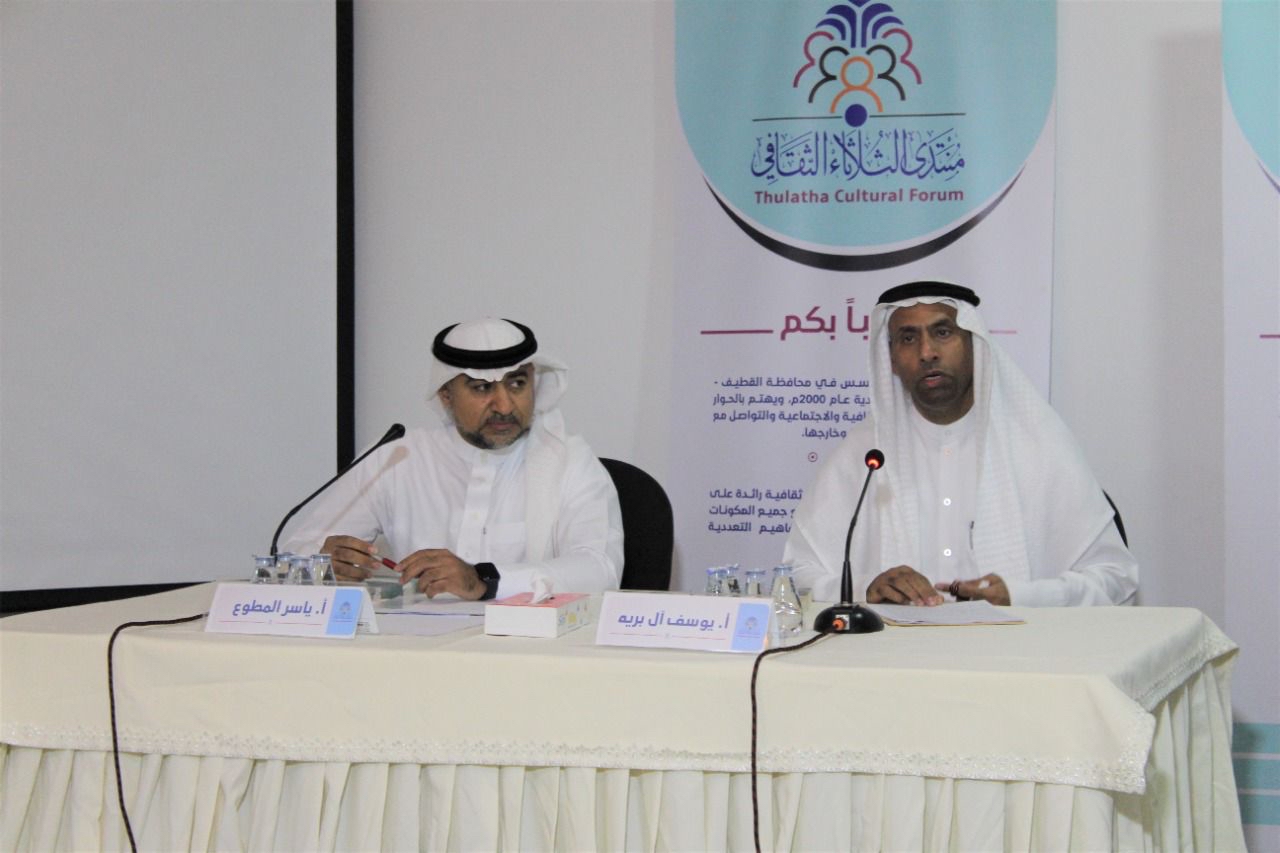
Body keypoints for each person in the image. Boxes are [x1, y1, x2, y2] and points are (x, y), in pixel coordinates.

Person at [783, 281, 1138, 607]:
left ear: (974, 344)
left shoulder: (1037, 443)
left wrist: (1020, 596)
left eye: (942, 332)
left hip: (1017, 649)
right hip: (898, 650)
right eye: (908, 338)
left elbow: (1115, 578)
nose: (927, 352)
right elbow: (795, 576)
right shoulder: (865, 454)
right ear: (891, 360)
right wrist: (866, 589)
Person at [280, 317, 624, 600]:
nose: (504, 405)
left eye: (517, 384)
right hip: (413, 651)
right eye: (482, 388)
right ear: (446, 394)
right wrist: (324, 564)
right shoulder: (398, 458)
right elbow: (292, 554)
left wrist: (485, 580)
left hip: (528, 653)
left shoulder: (570, 462)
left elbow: (599, 570)